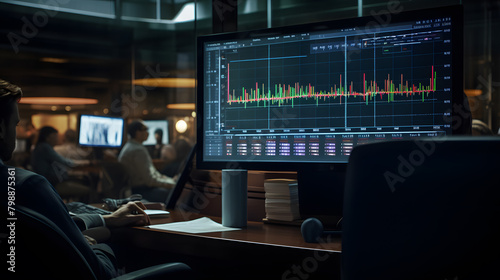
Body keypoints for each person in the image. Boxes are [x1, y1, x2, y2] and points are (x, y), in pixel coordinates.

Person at [0, 78, 151, 279]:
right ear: (1, 128)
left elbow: (56, 226)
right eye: (15, 124)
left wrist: (109, 219)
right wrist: (95, 247)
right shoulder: (29, 186)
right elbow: (97, 273)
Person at [118, 120, 176, 202]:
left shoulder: (131, 146)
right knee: (172, 193)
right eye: (145, 130)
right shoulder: (138, 150)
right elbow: (149, 181)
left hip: (137, 189)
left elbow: (153, 175)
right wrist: (173, 184)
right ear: (138, 133)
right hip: (140, 191)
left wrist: (169, 180)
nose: (148, 133)